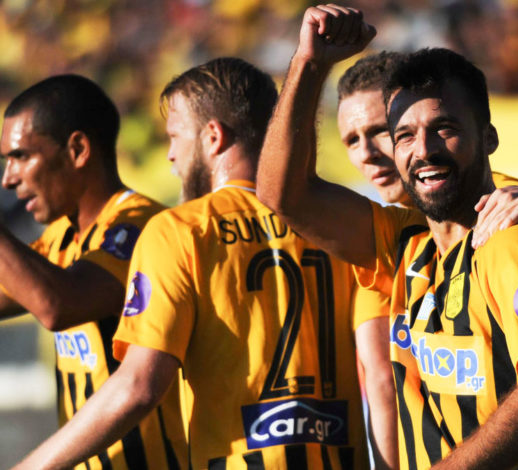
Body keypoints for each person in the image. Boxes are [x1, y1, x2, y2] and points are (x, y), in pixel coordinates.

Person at [257, 5, 518, 469]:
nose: (422, 150)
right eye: (403, 135)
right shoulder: (404, 240)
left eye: (443, 129)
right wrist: (309, 62)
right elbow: (282, 196)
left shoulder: (510, 231)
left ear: (488, 139)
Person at [12, 57, 373, 470]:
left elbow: (138, 386)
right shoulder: (342, 228)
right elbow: (379, 373)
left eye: (175, 137)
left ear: (213, 137)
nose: (170, 155)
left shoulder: (180, 230)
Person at [336, 51, 518, 469]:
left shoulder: (504, 217)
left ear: (487, 138)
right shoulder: (402, 239)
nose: (367, 153)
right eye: (351, 139)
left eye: (378, 132)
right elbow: (382, 378)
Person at [0, 75, 184, 470]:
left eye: (21, 156)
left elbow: (59, 305)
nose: (8, 178)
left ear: (78, 150)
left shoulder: (143, 228)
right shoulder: (61, 236)